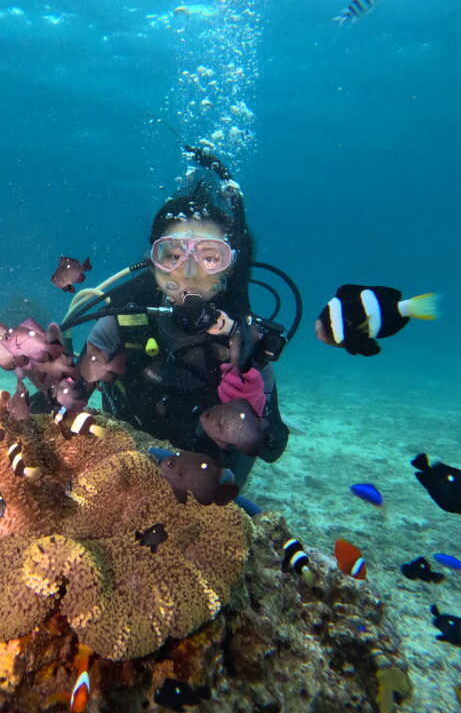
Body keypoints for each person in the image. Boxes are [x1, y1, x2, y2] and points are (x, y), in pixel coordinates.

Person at [64, 154, 294, 494]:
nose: (189, 272)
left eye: (210, 257)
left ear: (230, 266)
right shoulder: (124, 316)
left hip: (209, 484)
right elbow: (72, 392)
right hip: (125, 465)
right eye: (172, 255)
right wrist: (50, 385)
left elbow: (272, 447)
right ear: (153, 262)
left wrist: (256, 410)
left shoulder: (242, 339)